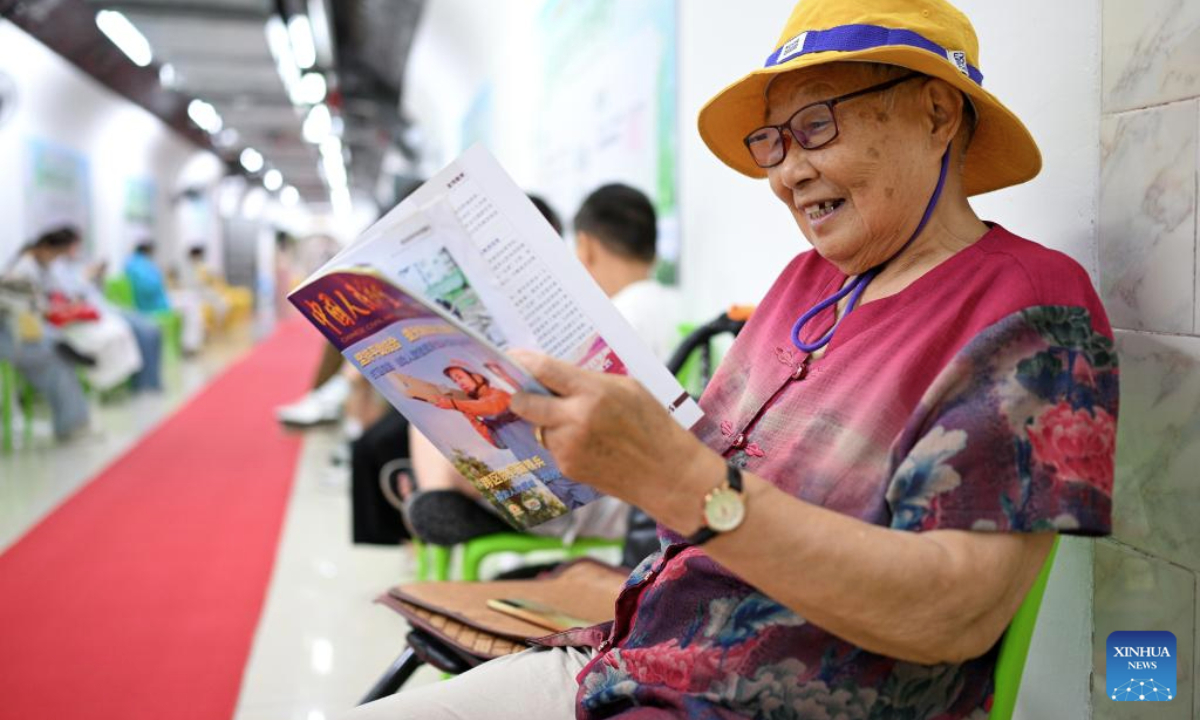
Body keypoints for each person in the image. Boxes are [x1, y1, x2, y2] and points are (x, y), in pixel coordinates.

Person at [345, 0, 1117, 718]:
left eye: (815, 127)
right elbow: (700, 463)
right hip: (629, 661)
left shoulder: (1029, 305)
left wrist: (676, 478)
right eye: (772, 142)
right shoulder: (805, 283)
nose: (786, 173)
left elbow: (955, 613)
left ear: (937, 112)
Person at [402, 189, 679, 546]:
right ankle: (444, 503)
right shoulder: (676, 308)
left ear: (586, 247)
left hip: (595, 495)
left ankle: (443, 502)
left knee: (431, 422)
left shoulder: (613, 319)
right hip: (642, 491)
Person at [430, 362, 599, 509]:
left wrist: (455, 404)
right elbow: (498, 443)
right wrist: (469, 416)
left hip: (569, 469)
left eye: (460, 377)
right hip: (548, 478)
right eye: (455, 381)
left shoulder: (501, 396)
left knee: (600, 511)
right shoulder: (488, 416)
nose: (459, 383)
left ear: (475, 375)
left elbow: (495, 408)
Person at [9, 228, 144, 392]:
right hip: (36, 324)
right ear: (44, 247)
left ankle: (112, 382)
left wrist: (69, 303)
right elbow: (33, 306)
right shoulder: (24, 268)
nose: (56, 258)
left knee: (117, 332)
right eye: (55, 254)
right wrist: (62, 307)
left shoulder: (47, 266)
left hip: (61, 316)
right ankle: (96, 376)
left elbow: (58, 292)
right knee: (104, 336)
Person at [50, 228, 163, 392]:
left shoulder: (75, 266)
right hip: (96, 313)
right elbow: (72, 297)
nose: (77, 249)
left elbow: (93, 294)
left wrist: (96, 277)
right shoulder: (58, 270)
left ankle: (151, 381)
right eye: (75, 245)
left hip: (106, 307)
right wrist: (86, 278)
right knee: (142, 331)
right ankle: (143, 384)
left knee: (152, 330)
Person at [125, 241, 205, 354]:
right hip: (153, 304)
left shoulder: (132, 263)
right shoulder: (142, 266)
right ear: (148, 251)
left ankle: (189, 343)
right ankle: (190, 345)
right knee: (192, 302)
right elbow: (149, 288)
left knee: (190, 298)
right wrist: (162, 279)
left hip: (153, 300)